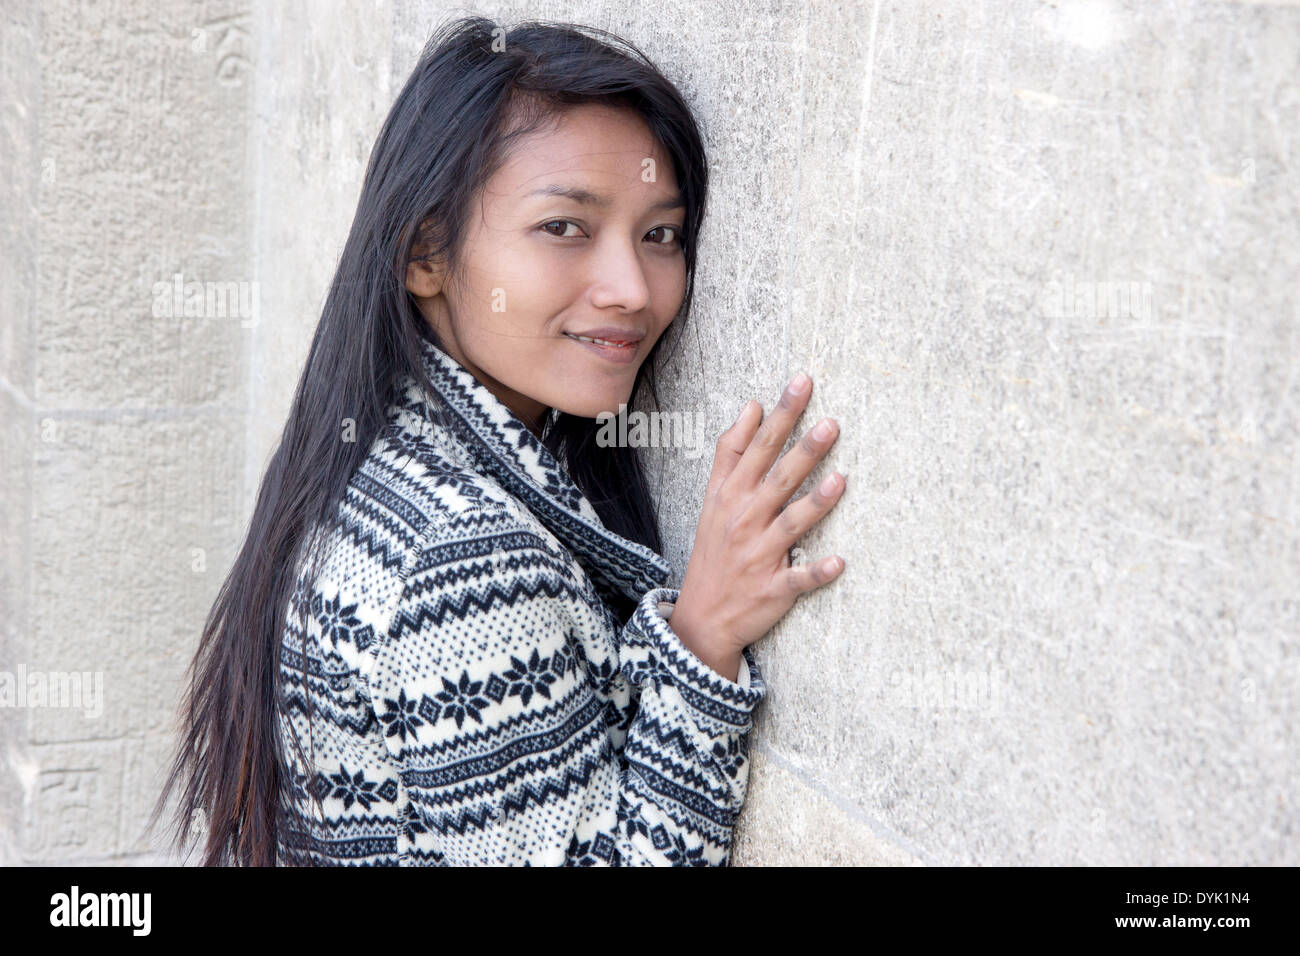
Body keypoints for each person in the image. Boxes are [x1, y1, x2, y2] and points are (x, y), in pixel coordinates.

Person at [150, 15, 846, 867]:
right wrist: (702, 640)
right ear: (425, 253)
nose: (632, 288)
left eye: (660, 235)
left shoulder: (392, 458)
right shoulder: (458, 560)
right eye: (565, 228)